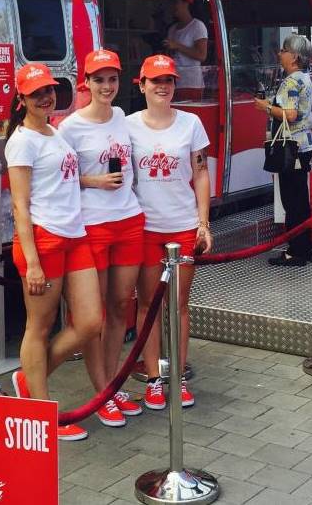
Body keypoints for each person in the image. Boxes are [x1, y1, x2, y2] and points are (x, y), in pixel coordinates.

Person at [5, 63, 103, 442]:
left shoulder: (54, 132)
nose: (46, 97)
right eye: (36, 93)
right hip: (43, 241)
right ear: (22, 99)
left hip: (74, 236)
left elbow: (65, 179)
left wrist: (93, 181)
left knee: (90, 322)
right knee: (40, 327)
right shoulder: (22, 141)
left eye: (49, 90)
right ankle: (41, 415)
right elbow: (19, 206)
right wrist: (31, 261)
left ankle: (29, 377)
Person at [59, 50, 145, 428]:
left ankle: (113, 385)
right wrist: (93, 180)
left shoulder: (123, 118)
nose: (107, 87)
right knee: (90, 318)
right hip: (92, 225)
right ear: (86, 84)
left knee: (118, 308)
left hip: (128, 220)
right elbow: (57, 176)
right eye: (99, 80)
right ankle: (100, 392)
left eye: (112, 79)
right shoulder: (70, 128)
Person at [127, 54, 212, 410]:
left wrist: (204, 222)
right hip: (145, 227)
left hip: (182, 225)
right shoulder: (127, 125)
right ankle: (153, 380)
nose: (163, 86)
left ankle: (177, 377)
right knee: (147, 305)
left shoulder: (191, 123)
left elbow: (202, 173)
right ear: (142, 84)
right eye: (156, 80)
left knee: (178, 305)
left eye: (169, 81)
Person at [254, 34, 312, 266]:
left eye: (283, 49)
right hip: (305, 143)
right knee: (300, 197)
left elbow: (289, 115)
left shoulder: (291, 81)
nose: (279, 53)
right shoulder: (308, 79)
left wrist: (266, 107)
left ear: (294, 56)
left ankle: (297, 250)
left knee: (292, 200)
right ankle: (302, 248)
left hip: (291, 145)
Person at [162, 0, 208, 100]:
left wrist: (177, 46)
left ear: (186, 3)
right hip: (173, 82)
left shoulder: (197, 26)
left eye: (175, 2)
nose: (172, 6)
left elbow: (202, 55)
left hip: (191, 83)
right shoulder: (172, 29)